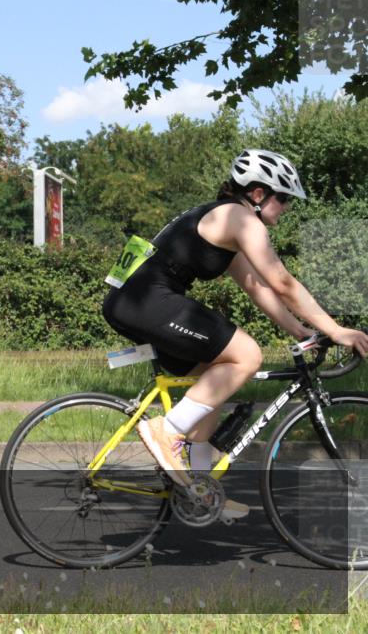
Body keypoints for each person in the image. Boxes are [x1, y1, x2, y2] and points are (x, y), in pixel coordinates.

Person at [102, 149, 368, 518]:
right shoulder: (241, 219)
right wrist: (336, 330)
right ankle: (167, 430)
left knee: (212, 385)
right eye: (284, 197)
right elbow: (283, 282)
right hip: (145, 301)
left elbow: (258, 287)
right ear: (258, 194)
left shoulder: (226, 219)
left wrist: (303, 331)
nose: (287, 207)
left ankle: (198, 489)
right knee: (247, 354)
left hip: (136, 300)